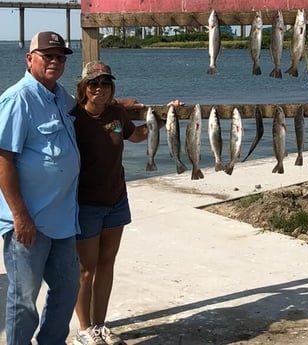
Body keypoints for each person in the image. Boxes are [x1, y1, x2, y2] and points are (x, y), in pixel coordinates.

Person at [71, 60, 182, 345]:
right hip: (85, 204)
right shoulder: (73, 117)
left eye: (105, 83)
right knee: (86, 269)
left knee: (107, 263)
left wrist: (164, 117)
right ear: (84, 87)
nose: (99, 89)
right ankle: (84, 329)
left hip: (116, 199)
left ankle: (100, 325)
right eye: (93, 83)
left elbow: (138, 136)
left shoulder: (117, 114)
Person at [0, 31, 80, 345]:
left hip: (62, 220)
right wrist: (20, 215)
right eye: (48, 55)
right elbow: (3, 159)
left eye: (60, 57)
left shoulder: (60, 96)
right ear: (30, 58)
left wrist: (122, 107)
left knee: (67, 289)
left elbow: (85, 112)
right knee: (23, 299)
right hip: (28, 223)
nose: (55, 61)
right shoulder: (18, 98)